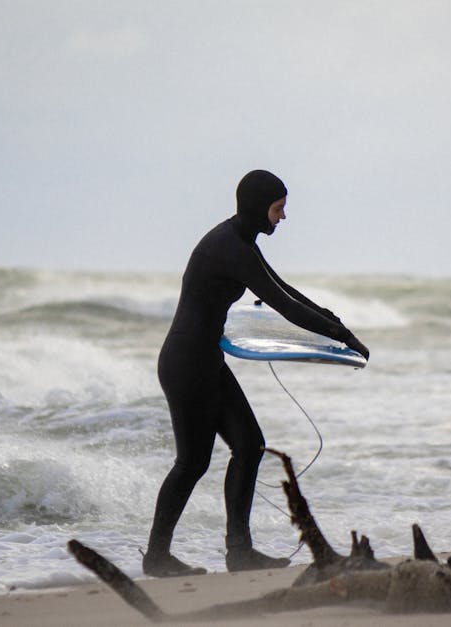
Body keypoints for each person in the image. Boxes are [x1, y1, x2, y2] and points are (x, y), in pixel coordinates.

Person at [143, 169, 370, 577]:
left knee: (249, 445)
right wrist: (340, 335)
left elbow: (283, 288)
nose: (282, 217)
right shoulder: (229, 247)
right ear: (257, 207)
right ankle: (157, 556)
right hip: (186, 364)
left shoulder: (240, 241)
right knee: (192, 463)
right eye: (278, 208)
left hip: (205, 359)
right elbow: (282, 305)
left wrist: (333, 321)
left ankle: (238, 552)